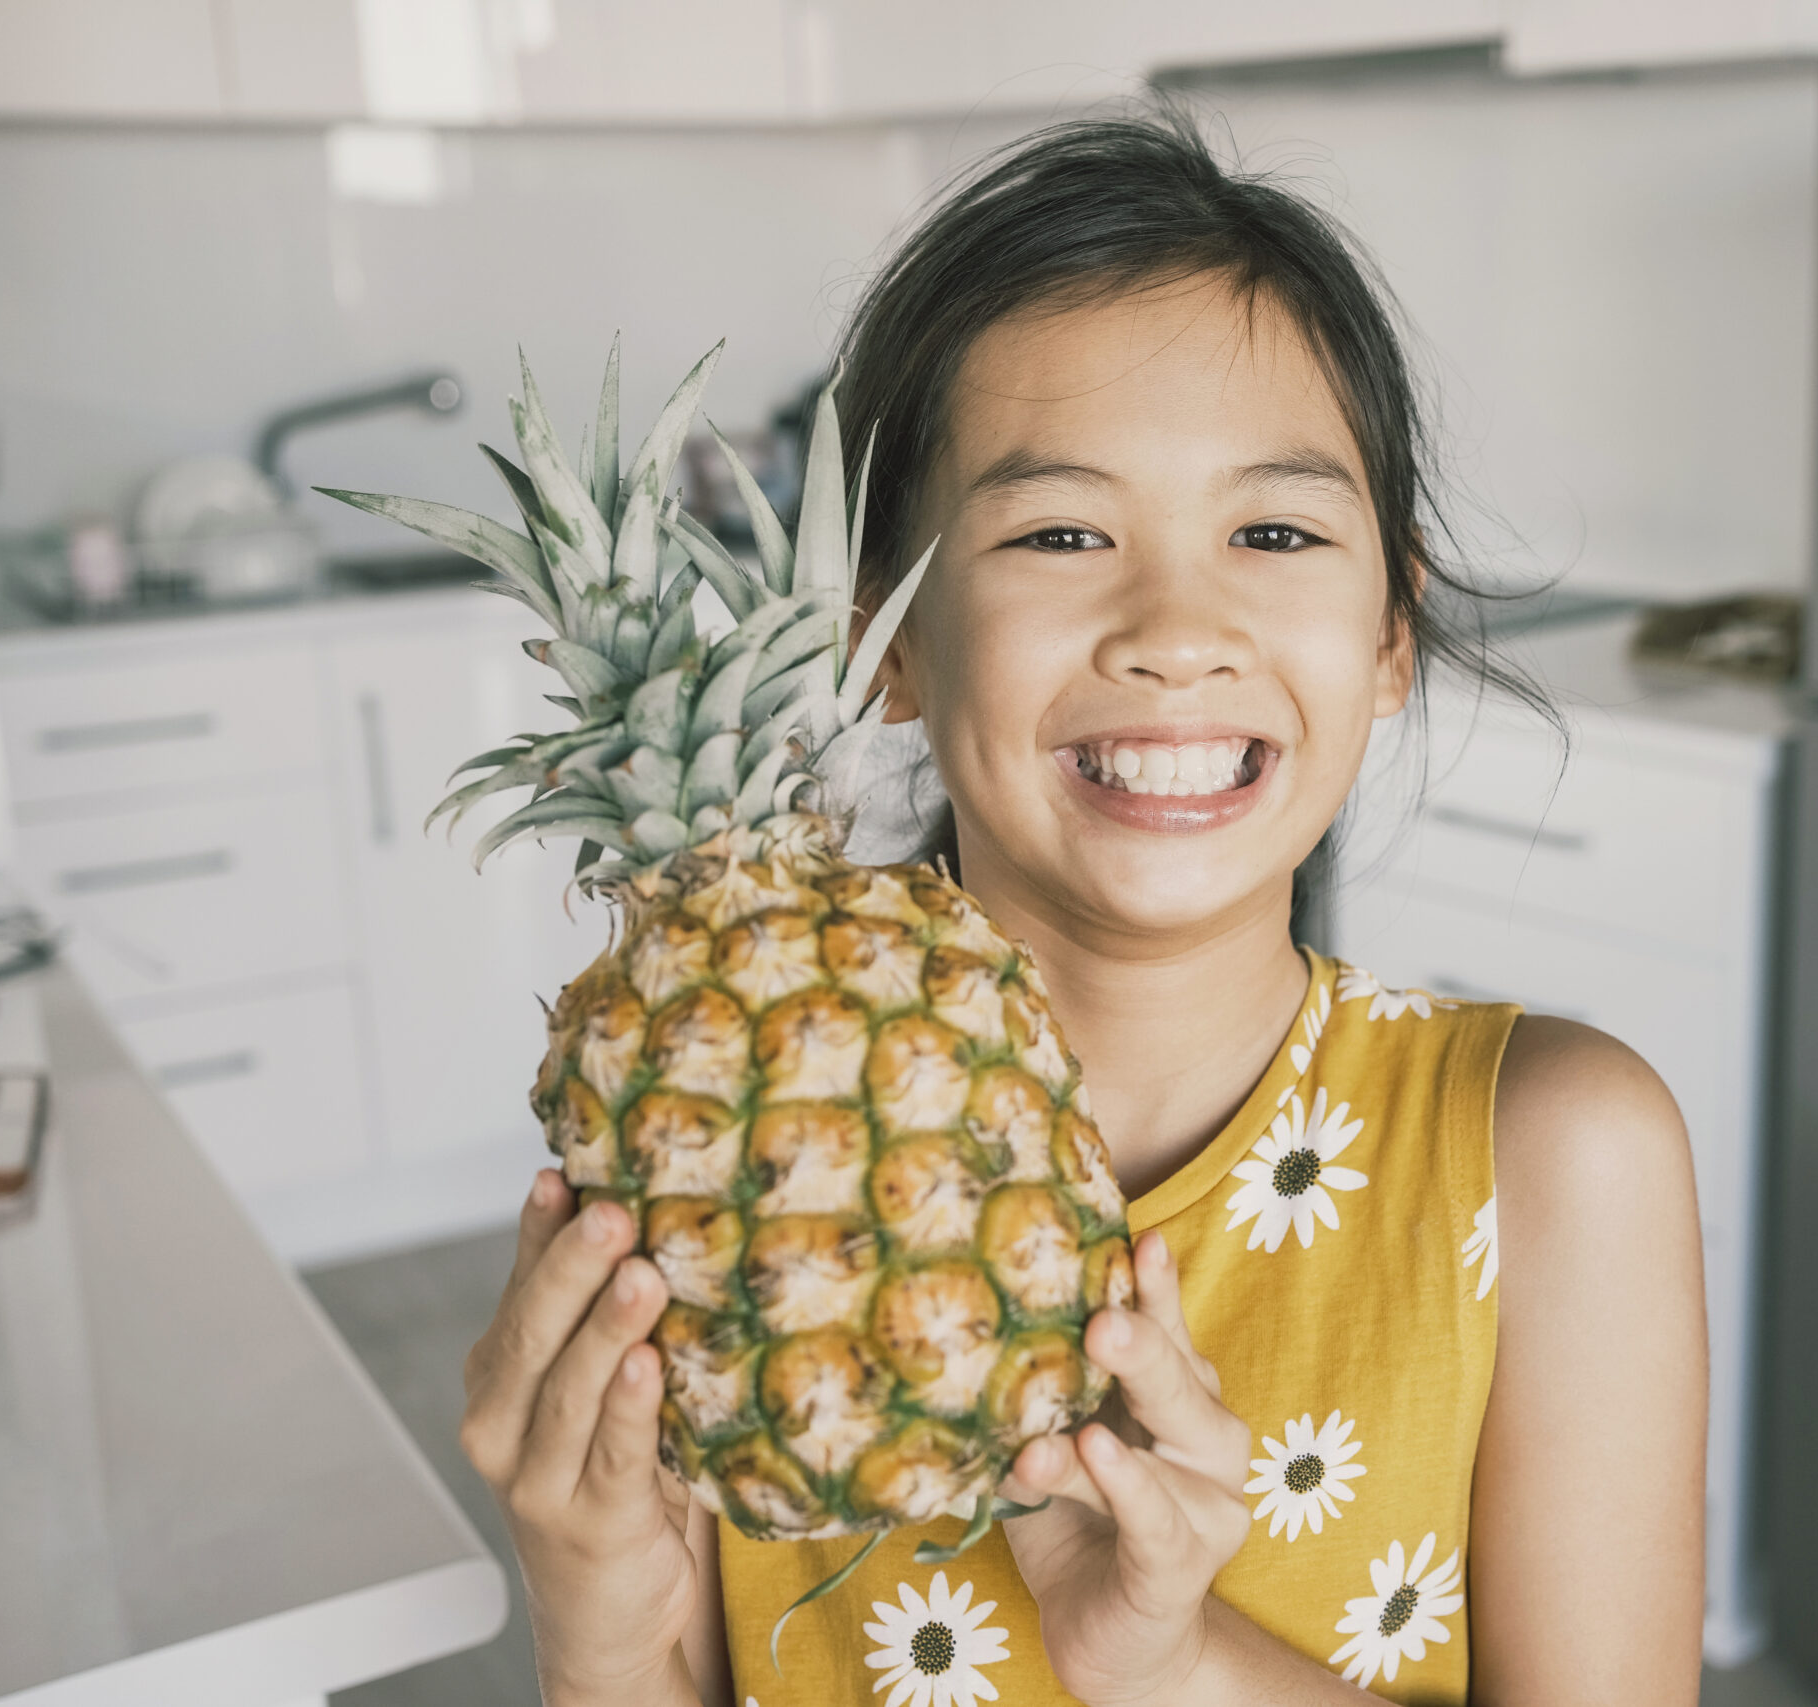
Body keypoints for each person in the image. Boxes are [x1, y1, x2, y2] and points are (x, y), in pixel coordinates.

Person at [457, 108, 1706, 1707]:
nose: (1177, 630)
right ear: (886, 645)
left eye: (1274, 530)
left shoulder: (1552, 1154)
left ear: (1392, 633)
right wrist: (599, 1631)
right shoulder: (712, 1158)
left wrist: (1181, 1663)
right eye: (1058, 531)